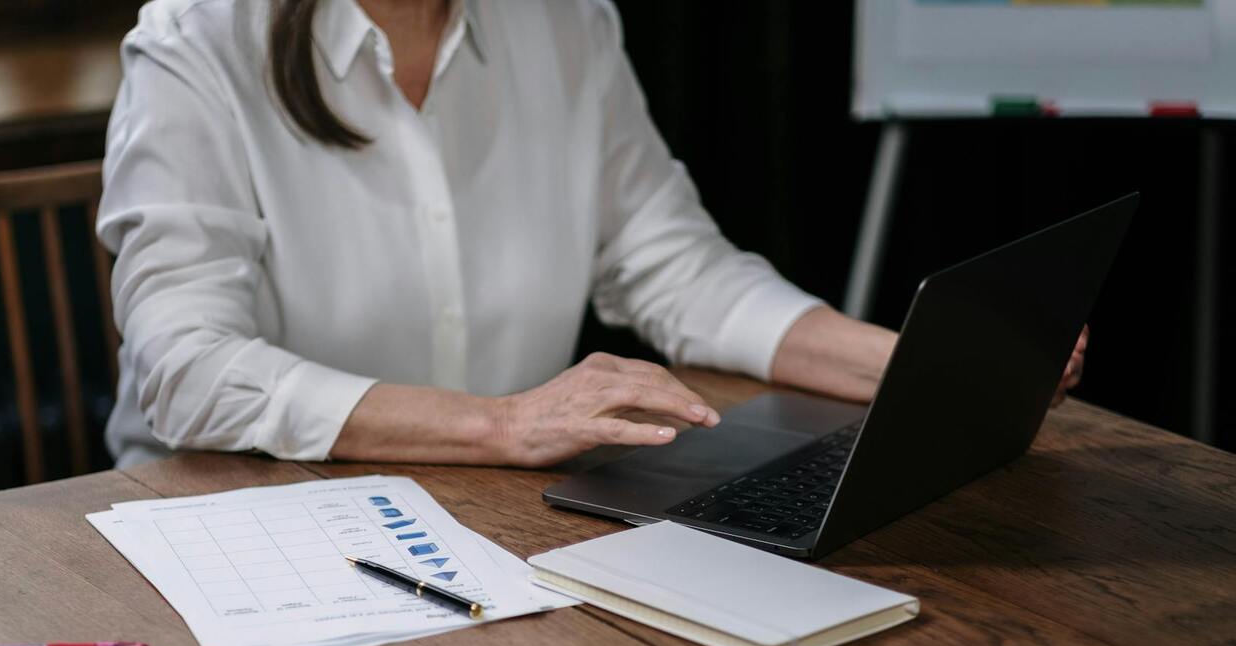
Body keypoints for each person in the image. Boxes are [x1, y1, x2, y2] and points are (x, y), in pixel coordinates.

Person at [99, 0, 1086, 468]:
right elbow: (183, 371)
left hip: (483, 530)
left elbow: (675, 269)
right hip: (227, 528)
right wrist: (501, 423)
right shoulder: (194, 42)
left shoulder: (565, 22)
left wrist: (911, 363)